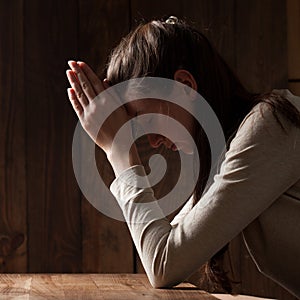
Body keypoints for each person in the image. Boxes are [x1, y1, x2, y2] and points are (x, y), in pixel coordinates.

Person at [66, 16, 300, 298]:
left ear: (185, 86)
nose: (151, 142)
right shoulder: (231, 149)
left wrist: (118, 150)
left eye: (142, 119)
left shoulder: (271, 124)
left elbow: (165, 264)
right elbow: (166, 249)